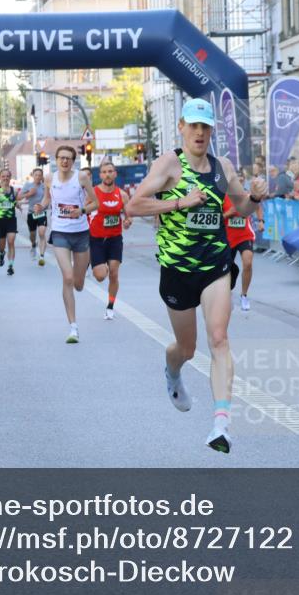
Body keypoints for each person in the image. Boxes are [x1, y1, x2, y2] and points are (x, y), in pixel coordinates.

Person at [125, 98, 268, 454]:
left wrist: (254, 196)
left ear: (211, 131)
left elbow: (242, 206)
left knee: (218, 338)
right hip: (176, 270)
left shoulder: (221, 167)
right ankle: (172, 372)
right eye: (194, 126)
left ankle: (221, 424)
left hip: (215, 265)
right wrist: (178, 203)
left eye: (206, 127)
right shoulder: (169, 164)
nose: (200, 133)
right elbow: (134, 205)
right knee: (185, 348)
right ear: (182, 128)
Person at [33, 148, 98, 343]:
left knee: (78, 284)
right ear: (56, 159)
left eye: (68, 159)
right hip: (60, 232)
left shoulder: (82, 178)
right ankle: (73, 327)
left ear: (73, 161)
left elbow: (96, 203)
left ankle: (82, 271)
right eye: (61, 158)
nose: (64, 162)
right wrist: (41, 206)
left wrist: (83, 210)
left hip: (81, 233)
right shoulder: (49, 178)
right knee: (67, 278)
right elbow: (47, 198)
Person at [89, 160, 131, 320]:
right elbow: (84, 212)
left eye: (110, 171)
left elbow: (128, 217)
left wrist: (127, 222)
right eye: (104, 172)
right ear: (100, 175)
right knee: (100, 276)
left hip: (114, 238)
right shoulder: (93, 193)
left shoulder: (122, 195)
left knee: (114, 274)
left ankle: (110, 306)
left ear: (115, 174)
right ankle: (100, 267)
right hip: (96, 239)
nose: (107, 174)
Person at [224, 186, 262, 310]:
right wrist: (228, 214)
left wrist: (261, 220)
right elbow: (215, 217)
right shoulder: (220, 197)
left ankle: (244, 295)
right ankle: (225, 294)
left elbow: (257, 205)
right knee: (226, 268)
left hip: (244, 234)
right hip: (227, 236)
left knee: (248, 263)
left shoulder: (245, 196)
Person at [22, 168, 48, 265]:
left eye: (39, 175)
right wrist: (29, 193)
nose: (38, 177)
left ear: (42, 176)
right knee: (32, 235)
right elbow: (19, 197)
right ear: (33, 175)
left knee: (42, 233)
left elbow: (48, 197)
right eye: (36, 175)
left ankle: (41, 256)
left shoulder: (44, 186)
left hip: (42, 212)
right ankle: (33, 245)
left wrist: (43, 206)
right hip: (31, 213)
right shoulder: (28, 185)